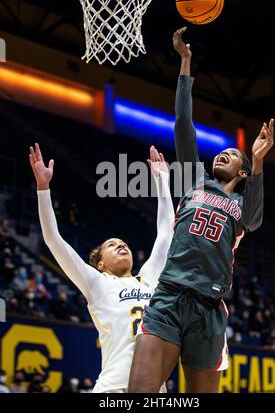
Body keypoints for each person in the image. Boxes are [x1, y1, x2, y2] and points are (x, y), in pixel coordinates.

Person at [128, 27, 275, 393]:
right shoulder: (194, 182)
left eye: (233, 155)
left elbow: (255, 218)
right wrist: (185, 64)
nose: (223, 153)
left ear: (242, 173)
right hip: (169, 297)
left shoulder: (241, 204)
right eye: (222, 152)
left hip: (209, 308)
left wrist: (257, 162)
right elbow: (183, 124)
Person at [29, 143, 174, 393]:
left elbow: (165, 235)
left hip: (154, 388)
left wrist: (163, 182)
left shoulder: (148, 280)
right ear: (100, 264)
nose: (121, 245)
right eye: (112, 244)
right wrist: (43, 190)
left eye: (123, 243)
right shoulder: (97, 283)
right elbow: (53, 239)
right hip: (113, 388)